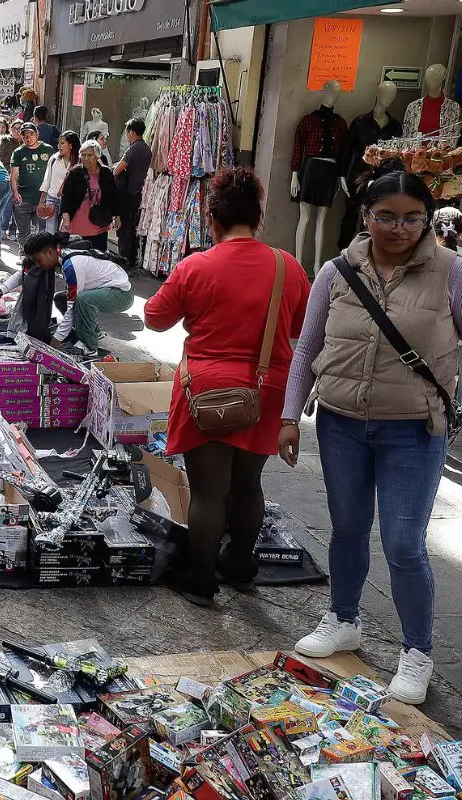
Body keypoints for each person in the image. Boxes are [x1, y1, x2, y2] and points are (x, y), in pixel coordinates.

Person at [280, 165, 462, 705]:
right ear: (366, 217)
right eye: (386, 216)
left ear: (428, 221)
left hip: (415, 430)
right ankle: (343, 618)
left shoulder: (453, 272)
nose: (399, 228)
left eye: (412, 218)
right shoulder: (337, 272)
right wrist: (290, 415)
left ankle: (418, 651)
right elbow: (307, 349)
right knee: (348, 529)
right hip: (340, 424)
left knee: (404, 544)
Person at [143, 167, 310, 605]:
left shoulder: (196, 265)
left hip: (207, 390)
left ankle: (200, 580)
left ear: (212, 220)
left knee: (208, 491)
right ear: (258, 218)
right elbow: (300, 326)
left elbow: (155, 318)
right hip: (267, 386)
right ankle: (240, 564)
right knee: (248, 484)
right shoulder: (286, 266)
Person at [0, 231, 133, 356]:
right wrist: (0, 291)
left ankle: (89, 346)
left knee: (83, 300)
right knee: (61, 298)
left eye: (38, 260)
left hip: (121, 294)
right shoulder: (58, 255)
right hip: (105, 290)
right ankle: (93, 332)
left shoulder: (71, 265)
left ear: (49, 252)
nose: (37, 264)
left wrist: (55, 342)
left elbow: (71, 310)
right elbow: (22, 274)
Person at [59, 140, 119, 251]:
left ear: (97, 156)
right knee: (78, 253)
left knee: (98, 254)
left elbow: (114, 196)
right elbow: (65, 197)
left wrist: (117, 217)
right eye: (83, 155)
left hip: (99, 221)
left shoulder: (106, 173)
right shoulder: (75, 173)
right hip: (77, 221)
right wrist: (66, 217)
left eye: (90, 155)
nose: (86, 158)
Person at [112, 119, 150, 264]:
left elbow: (116, 171)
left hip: (126, 193)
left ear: (132, 132)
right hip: (138, 192)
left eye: (127, 132)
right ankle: (132, 258)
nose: (126, 136)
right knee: (132, 227)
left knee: (123, 228)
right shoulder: (147, 149)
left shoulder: (133, 149)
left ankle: (125, 259)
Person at [9, 122, 54, 244]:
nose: (28, 138)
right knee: (23, 230)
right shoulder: (18, 152)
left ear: (37, 134)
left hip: (43, 198)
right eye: (25, 136)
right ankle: (23, 254)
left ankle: (41, 256)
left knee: (43, 231)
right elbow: (14, 176)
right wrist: (15, 193)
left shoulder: (48, 150)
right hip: (23, 197)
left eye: (31, 134)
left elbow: (53, 173)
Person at [38, 132, 78, 234]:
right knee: (50, 232)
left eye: (62, 143)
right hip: (52, 199)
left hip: (70, 201)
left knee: (65, 232)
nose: (59, 146)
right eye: (58, 143)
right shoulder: (54, 159)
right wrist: (41, 202)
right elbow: (47, 181)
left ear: (71, 145)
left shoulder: (79, 162)